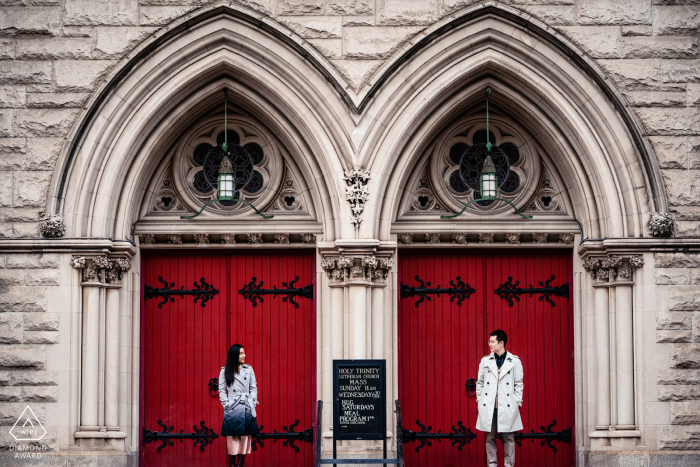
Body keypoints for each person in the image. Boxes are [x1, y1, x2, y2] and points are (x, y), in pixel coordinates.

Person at [475, 330, 524, 467]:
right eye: (489, 341)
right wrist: (480, 400)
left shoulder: (514, 361)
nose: (489, 344)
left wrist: (516, 402)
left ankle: (509, 465)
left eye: (492, 341)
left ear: (501, 343)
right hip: (489, 406)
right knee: (490, 438)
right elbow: (479, 383)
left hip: (508, 405)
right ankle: (492, 465)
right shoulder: (485, 361)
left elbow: (518, 383)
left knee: (508, 438)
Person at [219, 344, 261, 467]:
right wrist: (226, 404)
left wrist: (252, 401)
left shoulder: (249, 369)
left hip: (246, 405)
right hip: (232, 406)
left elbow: (253, 387)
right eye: (241, 353)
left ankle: (240, 463)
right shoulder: (225, 370)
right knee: (232, 437)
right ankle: (232, 463)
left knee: (245, 437)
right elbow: (221, 390)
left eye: (244, 353)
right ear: (234, 355)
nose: (244, 355)